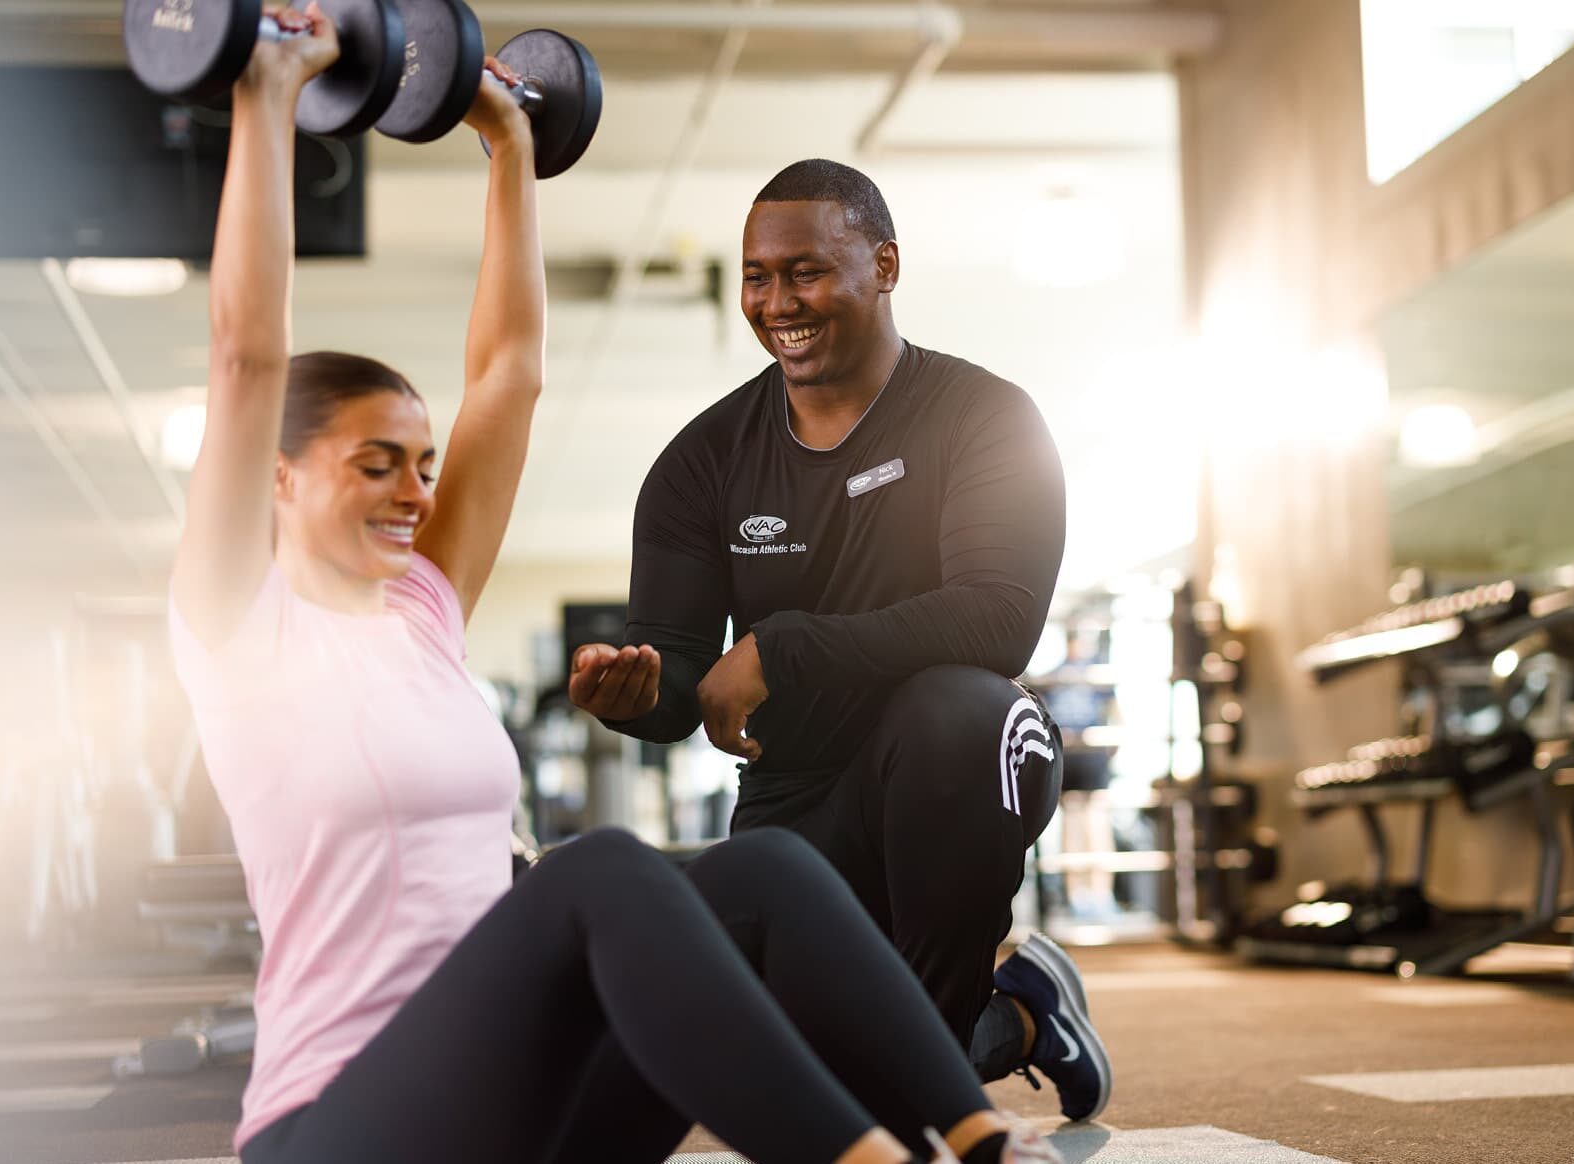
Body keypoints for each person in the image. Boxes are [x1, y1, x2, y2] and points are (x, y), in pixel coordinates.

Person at [168, 10, 1059, 1163]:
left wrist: (509, 147)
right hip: (343, 1129)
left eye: (424, 465)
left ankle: (981, 1140)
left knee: (765, 871)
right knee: (596, 875)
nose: (413, 492)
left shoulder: (423, 615)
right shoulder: (237, 628)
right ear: (278, 479)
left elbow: (510, 374)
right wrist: (267, 95)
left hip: (518, 1120)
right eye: (374, 465)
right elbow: (244, 357)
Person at [567, 158, 1112, 1122]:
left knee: (957, 708)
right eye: (758, 277)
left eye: (807, 271)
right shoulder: (703, 463)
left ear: (885, 265)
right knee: (766, 1062)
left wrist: (784, 647)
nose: (779, 301)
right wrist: (637, 691)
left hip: (968, 763)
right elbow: (683, 670)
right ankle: (1025, 1016)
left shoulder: (985, 417)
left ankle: (934, 1101)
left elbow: (999, 615)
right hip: (795, 792)